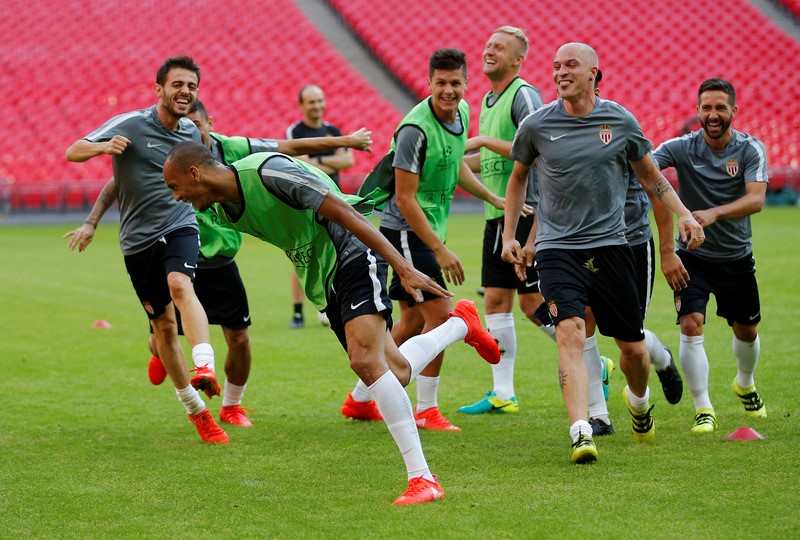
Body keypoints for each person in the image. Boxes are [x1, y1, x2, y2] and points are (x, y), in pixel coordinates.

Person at [162, 140, 501, 505]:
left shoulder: (267, 171)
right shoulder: (223, 211)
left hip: (352, 252)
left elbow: (342, 210)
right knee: (396, 371)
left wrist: (402, 267)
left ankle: (422, 478)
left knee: (365, 361)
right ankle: (460, 324)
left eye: (174, 186)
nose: (176, 196)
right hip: (323, 278)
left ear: (194, 173)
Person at [66, 99, 374, 428]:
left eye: (197, 125)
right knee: (164, 334)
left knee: (239, 337)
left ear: (209, 123)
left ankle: (232, 406)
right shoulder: (173, 159)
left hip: (221, 258)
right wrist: (92, 221)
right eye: (186, 126)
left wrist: (348, 141)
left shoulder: (231, 149)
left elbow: (287, 146)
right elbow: (120, 182)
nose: (191, 132)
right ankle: (161, 352)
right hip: (182, 251)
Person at [501, 43, 704, 464]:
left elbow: (653, 180)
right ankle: (581, 429)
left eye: (571, 65)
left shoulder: (620, 121)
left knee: (631, 348)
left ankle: (639, 400)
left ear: (594, 72)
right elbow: (518, 178)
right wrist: (511, 237)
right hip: (559, 250)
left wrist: (685, 215)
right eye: (555, 66)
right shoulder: (537, 126)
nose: (560, 72)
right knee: (570, 331)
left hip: (614, 248)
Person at [64, 56, 227, 444]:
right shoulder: (129, 124)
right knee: (164, 327)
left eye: (192, 86)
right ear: (159, 90)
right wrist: (104, 148)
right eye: (177, 85)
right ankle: (196, 411)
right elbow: (74, 151)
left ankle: (203, 364)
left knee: (180, 285)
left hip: (180, 224)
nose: (185, 92)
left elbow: (209, 176)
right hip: (137, 241)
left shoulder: (192, 133)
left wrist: (207, 149)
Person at [342, 48, 504, 431]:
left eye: (456, 83)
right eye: (441, 83)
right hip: (404, 233)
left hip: (426, 231)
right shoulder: (414, 130)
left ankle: (360, 399)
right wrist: (440, 249)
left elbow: (455, 165)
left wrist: (489, 196)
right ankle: (426, 409)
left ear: (466, 83)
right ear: (429, 82)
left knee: (412, 320)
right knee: (443, 314)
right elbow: (404, 198)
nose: (449, 90)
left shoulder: (462, 115)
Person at [652, 78, 768, 433]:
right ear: (698, 110)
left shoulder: (750, 149)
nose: (713, 115)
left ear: (734, 110)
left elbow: (757, 199)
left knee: (746, 330)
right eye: (706, 108)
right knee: (691, 323)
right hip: (693, 255)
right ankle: (703, 407)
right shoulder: (681, 147)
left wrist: (713, 213)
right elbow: (646, 169)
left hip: (735, 256)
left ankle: (744, 383)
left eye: (720, 108)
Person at [584, 70, 685, 437]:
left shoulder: (620, 127)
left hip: (629, 244)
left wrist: (668, 251)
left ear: (596, 84)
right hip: (581, 243)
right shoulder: (558, 129)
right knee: (581, 323)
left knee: (630, 340)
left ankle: (658, 365)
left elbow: (655, 186)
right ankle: (598, 414)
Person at [457, 26, 549, 416]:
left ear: (517, 60)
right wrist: (448, 166)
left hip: (528, 214)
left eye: (500, 47)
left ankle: (595, 362)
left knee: (531, 303)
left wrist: (477, 142)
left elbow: (540, 144)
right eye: (488, 44)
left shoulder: (523, 95)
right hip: (497, 216)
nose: (489, 49)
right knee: (495, 301)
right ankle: (503, 393)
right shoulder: (490, 100)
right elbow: (493, 160)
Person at [286, 85, 357, 329]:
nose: (316, 106)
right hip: (305, 203)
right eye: (311, 102)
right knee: (302, 255)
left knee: (335, 254)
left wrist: (316, 161)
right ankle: (298, 312)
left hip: (334, 200)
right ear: (301, 105)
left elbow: (348, 160)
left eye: (319, 101)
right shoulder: (296, 131)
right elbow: (299, 163)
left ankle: (331, 306)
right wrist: (329, 163)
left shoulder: (332, 130)